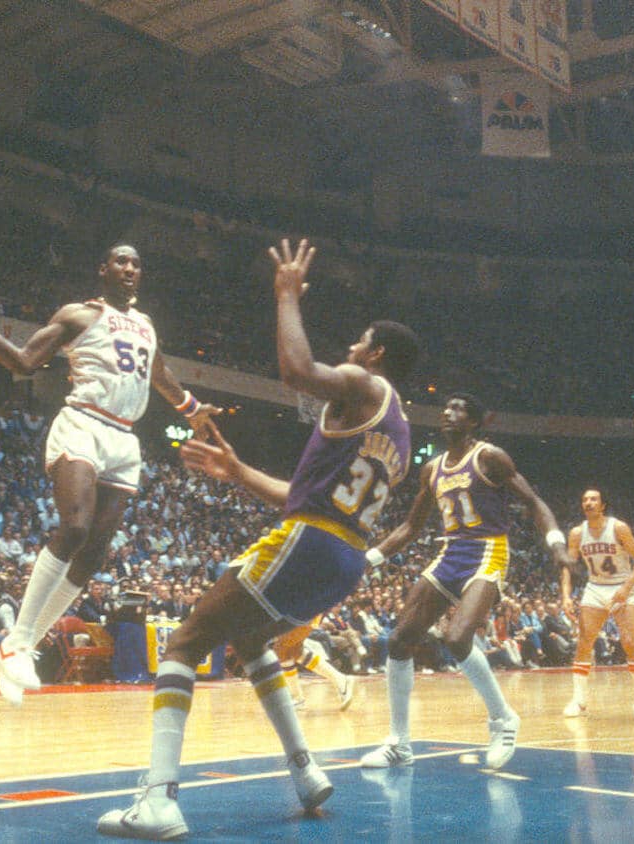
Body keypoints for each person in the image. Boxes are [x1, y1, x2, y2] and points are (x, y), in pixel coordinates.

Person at [98, 238, 419, 839]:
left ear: (374, 354)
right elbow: (300, 493)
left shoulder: (364, 385)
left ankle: (160, 800)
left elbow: (297, 371)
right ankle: (305, 770)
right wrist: (238, 471)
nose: (349, 350)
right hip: (344, 556)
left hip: (313, 541)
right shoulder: (398, 425)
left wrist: (287, 295)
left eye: (357, 343)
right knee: (248, 640)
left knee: (188, 638)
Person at [0, 244, 219, 706]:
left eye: (137, 263)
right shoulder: (78, 315)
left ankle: (19, 646)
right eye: (120, 261)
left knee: (94, 554)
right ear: (102, 269)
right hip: (84, 422)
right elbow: (23, 361)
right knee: (75, 527)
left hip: (126, 439)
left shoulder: (146, 325)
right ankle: (17, 641)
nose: (130, 268)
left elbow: (160, 374)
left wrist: (191, 409)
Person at [359, 392, 570, 772]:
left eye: (458, 409)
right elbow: (410, 526)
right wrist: (368, 559)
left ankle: (503, 718)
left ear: (474, 422)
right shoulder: (432, 468)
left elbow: (534, 502)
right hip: (451, 552)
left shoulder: (490, 457)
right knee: (399, 639)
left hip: (488, 551)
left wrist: (556, 544)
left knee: (457, 638)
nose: (448, 413)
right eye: (447, 408)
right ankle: (399, 743)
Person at [560, 489, 634, 719]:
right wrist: (565, 596)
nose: (588, 502)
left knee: (629, 641)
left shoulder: (618, 528)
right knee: (584, 642)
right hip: (595, 587)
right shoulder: (577, 533)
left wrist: (625, 588)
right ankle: (579, 701)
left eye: (593, 499)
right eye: (585, 499)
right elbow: (567, 567)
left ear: (602, 505)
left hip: (623, 585)